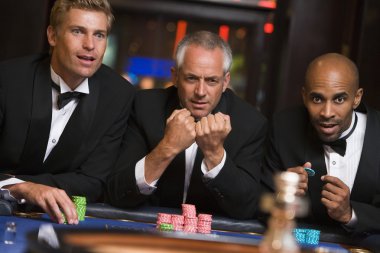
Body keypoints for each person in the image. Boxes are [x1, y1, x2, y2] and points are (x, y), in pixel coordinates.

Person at [107, 31, 267, 219]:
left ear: (225, 82)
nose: (200, 91)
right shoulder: (144, 107)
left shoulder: (250, 123)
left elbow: (247, 209)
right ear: (175, 77)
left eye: (211, 81)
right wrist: (167, 148)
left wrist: (215, 153)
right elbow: (116, 194)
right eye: (191, 78)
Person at [0, 0, 135, 224]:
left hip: (55, 223)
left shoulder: (119, 95)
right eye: (77, 31)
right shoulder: (8, 80)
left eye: (99, 35)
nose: (90, 45)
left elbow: (93, 180)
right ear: (52, 36)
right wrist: (19, 188)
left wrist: (34, 186)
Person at [261, 53, 380, 234]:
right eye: (317, 99)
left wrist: (350, 214)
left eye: (339, 99)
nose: (327, 112)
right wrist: (283, 197)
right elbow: (259, 207)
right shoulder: (284, 127)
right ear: (304, 96)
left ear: (357, 98)